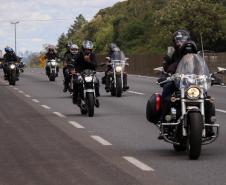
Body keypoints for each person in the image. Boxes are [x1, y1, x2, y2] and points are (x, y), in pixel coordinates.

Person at [74, 40, 100, 104]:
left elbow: (95, 65)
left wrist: (89, 61)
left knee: (96, 80)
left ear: (91, 50)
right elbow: (75, 63)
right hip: (81, 72)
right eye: (85, 49)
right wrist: (74, 70)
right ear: (83, 49)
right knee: (76, 81)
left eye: (88, 49)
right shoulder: (79, 54)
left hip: (91, 72)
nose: (87, 51)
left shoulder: (92, 55)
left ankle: (96, 95)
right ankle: (75, 97)